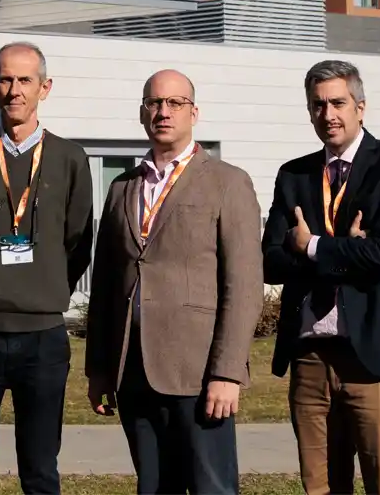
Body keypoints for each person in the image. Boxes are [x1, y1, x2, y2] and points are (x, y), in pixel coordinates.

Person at [262, 59, 380, 495]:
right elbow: (270, 262)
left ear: (361, 107)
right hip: (311, 357)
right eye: (318, 105)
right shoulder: (294, 174)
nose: (328, 115)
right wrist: (347, 247)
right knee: (321, 487)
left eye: (338, 103)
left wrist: (310, 246)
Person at [84, 69, 264, 494]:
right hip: (133, 371)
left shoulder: (227, 182)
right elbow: (106, 285)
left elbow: (244, 285)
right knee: (154, 487)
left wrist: (227, 372)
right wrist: (99, 368)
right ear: (143, 112)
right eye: (154, 103)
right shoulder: (121, 187)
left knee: (210, 487)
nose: (163, 112)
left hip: (198, 372)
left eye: (175, 103)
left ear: (194, 112)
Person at [0, 41, 94, 495]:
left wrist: (42, 289)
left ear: (44, 88)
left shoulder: (70, 159)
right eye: (5, 80)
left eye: (25, 80)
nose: (14, 90)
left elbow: (77, 243)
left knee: (41, 473)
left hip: (42, 337)